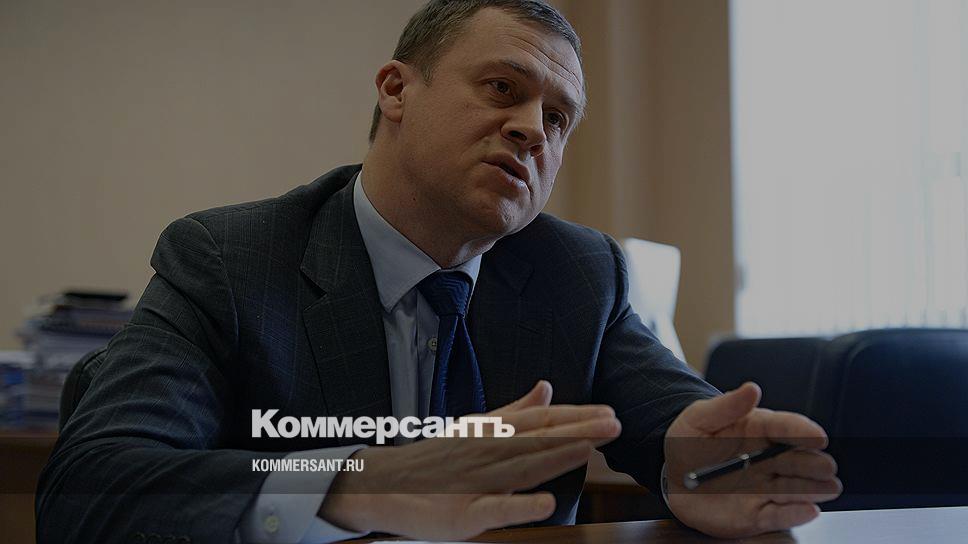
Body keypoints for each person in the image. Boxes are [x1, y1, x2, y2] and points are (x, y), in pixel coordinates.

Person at [36, 1, 841, 542]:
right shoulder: (231, 259)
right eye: (502, 88)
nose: (532, 129)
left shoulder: (577, 272)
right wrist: (358, 482)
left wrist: (705, 465)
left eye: (558, 118)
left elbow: (675, 422)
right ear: (396, 90)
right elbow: (92, 490)